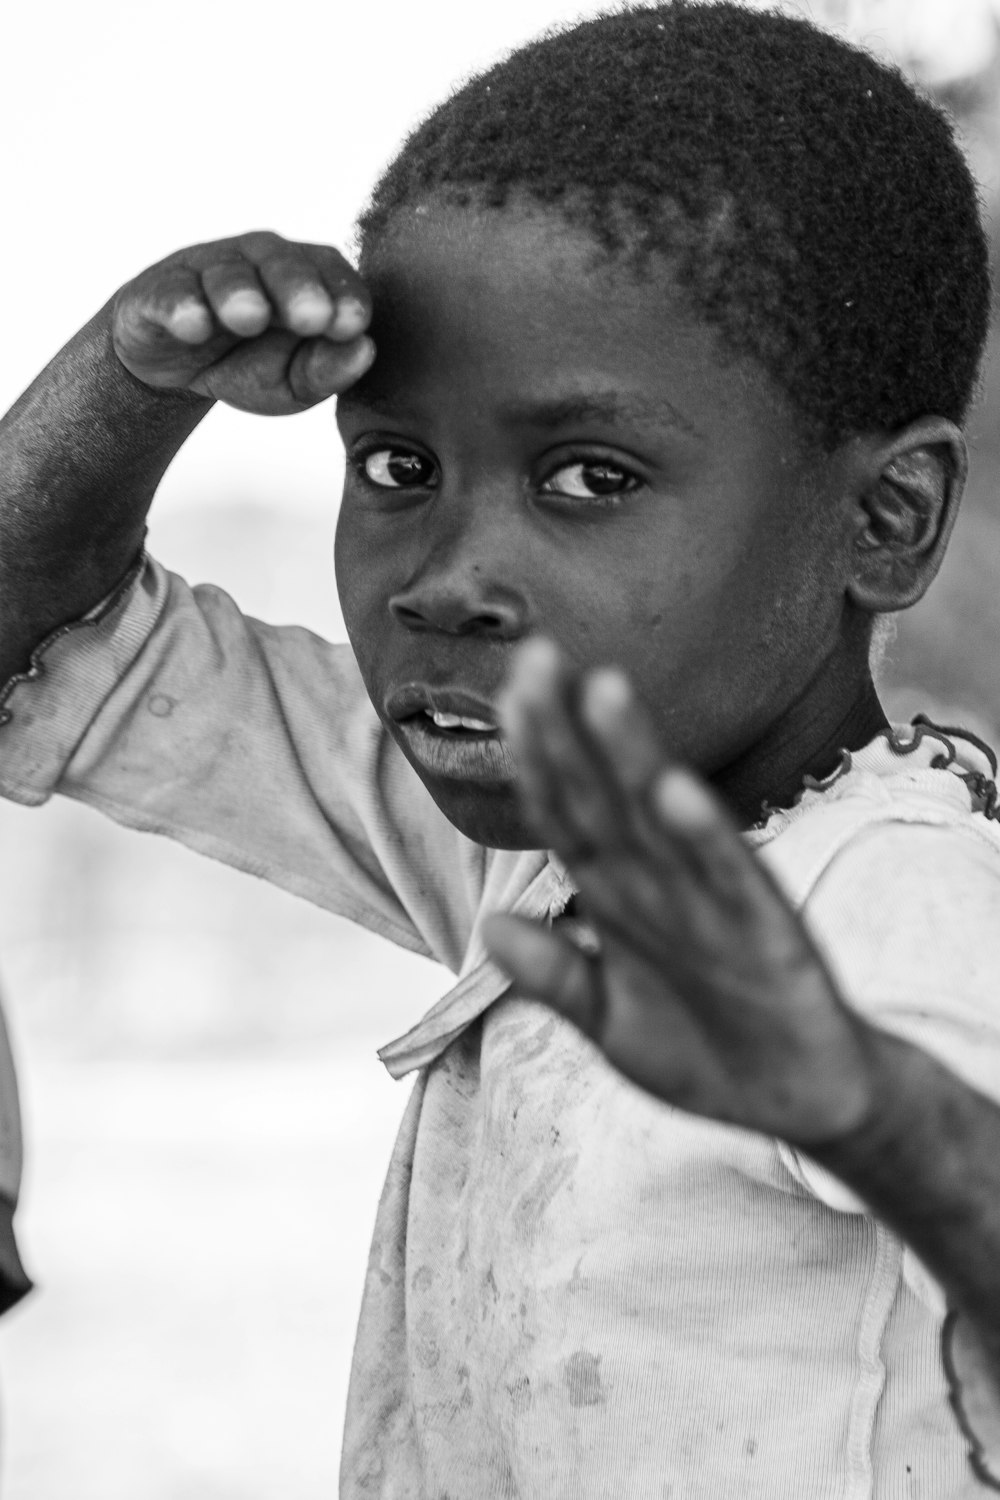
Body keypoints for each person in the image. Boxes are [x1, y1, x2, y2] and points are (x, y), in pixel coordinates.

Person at [1, 2, 999, 1493]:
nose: (445, 577)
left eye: (591, 476)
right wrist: (129, 381)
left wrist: (875, 1117)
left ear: (885, 519)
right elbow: (47, 637)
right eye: (398, 466)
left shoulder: (894, 900)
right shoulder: (527, 854)